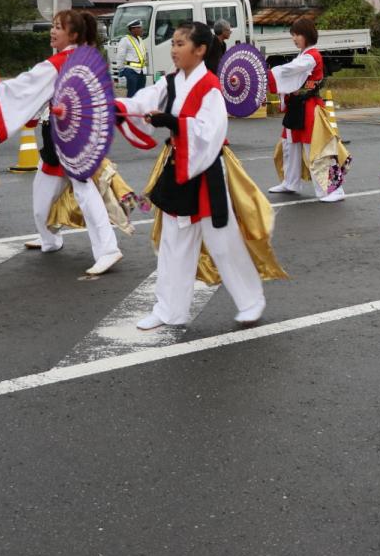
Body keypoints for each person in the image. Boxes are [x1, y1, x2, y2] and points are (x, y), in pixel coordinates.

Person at [115, 22, 286, 330]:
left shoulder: (209, 88)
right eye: (174, 43)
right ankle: (170, 310)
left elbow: (210, 132)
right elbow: (144, 101)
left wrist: (175, 122)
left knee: (223, 243)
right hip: (179, 167)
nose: (174, 49)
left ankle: (251, 302)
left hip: (205, 171)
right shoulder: (170, 82)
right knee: (173, 242)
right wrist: (118, 108)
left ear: (200, 49)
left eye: (181, 44)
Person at [0, 9, 124, 276]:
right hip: (57, 137)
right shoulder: (79, 58)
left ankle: (108, 249)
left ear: (73, 34)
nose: (52, 31)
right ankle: (50, 239)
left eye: (58, 27)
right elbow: (39, 93)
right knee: (41, 195)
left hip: (71, 140)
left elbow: (24, 85)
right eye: (52, 25)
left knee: (85, 193)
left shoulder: (64, 61)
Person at [266, 17, 350, 202]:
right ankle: (290, 182)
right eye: (293, 35)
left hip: (310, 107)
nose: (294, 38)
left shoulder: (312, 56)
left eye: (297, 34)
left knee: (316, 148)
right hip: (297, 107)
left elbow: (290, 70)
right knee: (289, 145)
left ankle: (333, 190)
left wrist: (269, 74)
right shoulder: (304, 55)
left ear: (307, 35)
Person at [117, 19, 148, 98]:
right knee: (131, 94)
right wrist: (121, 70)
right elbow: (120, 56)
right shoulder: (125, 40)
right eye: (139, 28)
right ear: (133, 29)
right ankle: (130, 110)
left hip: (141, 72)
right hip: (131, 71)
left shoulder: (140, 40)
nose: (142, 29)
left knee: (140, 94)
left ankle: (138, 110)